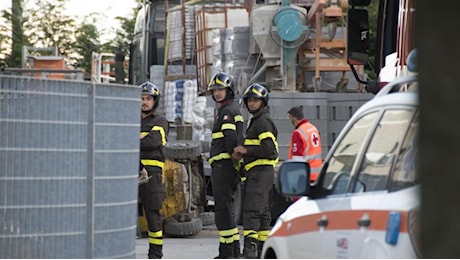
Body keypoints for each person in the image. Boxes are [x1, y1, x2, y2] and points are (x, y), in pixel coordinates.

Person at [232, 83, 279, 259]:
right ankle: (262, 249)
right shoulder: (256, 121)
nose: (252, 104)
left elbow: (269, 150)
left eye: (255, 100)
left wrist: (246, 150)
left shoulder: (263, 122)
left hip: (261, 173)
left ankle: (250, 251)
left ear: (263, 102)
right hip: (258, 173)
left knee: (251, 211)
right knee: (262, 212)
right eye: (249, 101)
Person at [207, 72, 244, 259]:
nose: (217, 93)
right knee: (226, 208)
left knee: (223, 210)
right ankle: (233, 250)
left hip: (223, 166)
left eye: (221, 89)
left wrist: (233, 161)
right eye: (215, 90)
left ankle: (227, 252)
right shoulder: (229, 109)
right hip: (226, 167)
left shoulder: (227, 112)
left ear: (229, 90)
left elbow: (231, 140)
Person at [139, 81, 169, 259]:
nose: (144, 102)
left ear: (154, 101)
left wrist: (133, 140)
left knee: (152, 213)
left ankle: (155, 253)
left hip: (152, 174)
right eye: (142, 98)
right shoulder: (130, 119)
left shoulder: (160, 121)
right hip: (130, 171)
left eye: (148, 99)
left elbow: (154, 142)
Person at [287, 106, 323, 181]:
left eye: (289, 118)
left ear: (293, 118)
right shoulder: (313, 128)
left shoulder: (298, 133)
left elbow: (297, 159)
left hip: (305, 175)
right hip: (317, 173)